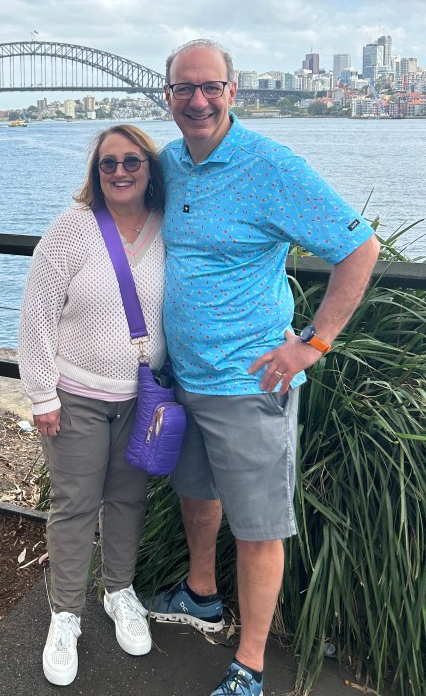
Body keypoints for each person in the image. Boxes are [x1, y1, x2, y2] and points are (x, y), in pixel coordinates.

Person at [145, 39, 380, 696]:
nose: (197, 100)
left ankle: (249, 665)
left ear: (232, 90)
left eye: (210, 87)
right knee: (196, 492)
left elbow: (359, 248)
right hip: (186, 377)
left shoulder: (271, 167)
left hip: (250, 384)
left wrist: (313, 343)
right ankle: (200, 595)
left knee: (258, 527)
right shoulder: (171, 163)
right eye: (184, 88)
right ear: (168, 95)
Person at [18, 124, 167, 686]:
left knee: (128, 499)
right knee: (75, 505)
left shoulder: (168, 228)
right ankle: (65, 614)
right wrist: (42, 393)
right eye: (109, 163)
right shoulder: (71, 230)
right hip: (76, 394)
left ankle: (119, 592)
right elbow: (36, 315)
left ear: (150, 168)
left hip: (142, 398)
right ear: (96, 172)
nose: (121, 171)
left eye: (132, 161)